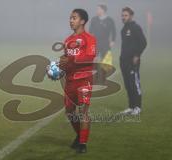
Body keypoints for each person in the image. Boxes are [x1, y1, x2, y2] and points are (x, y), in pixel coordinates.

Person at [59, 9, 96, 153]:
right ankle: (80, 135)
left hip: (84, 80)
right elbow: (65, 60)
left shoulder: (89, 38)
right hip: (69, 81)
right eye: (70, 18)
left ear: (82, 21)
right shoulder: (68, 40)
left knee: (83, 111)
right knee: (69, 111)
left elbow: (89, 57)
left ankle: (82, 144)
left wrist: (71, 59)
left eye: (74, 18)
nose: (71, 20)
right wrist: (58, 69)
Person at [120, 7, 147, 115]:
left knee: (135, 84)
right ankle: (131, 107)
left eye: (125, 15)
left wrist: (137, 55)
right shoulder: (123, 29)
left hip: (132, 61)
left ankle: (138, 107)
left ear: (131, 16)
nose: (123, 17)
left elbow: (144, 42)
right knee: (128, 85)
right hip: (124, 61)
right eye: (122, 15)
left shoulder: (136, 28)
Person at [89, 4, 116, 83]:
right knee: (95, 60)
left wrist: (113, 41)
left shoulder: (109, 20)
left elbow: (113, 31)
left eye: (98, 9)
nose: (97, 11)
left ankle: (104, 78)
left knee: (105, 61)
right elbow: (90, 31)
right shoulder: (94, 19)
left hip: (105, 43)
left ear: (103, 10)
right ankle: (95, 77)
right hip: (96, 42)